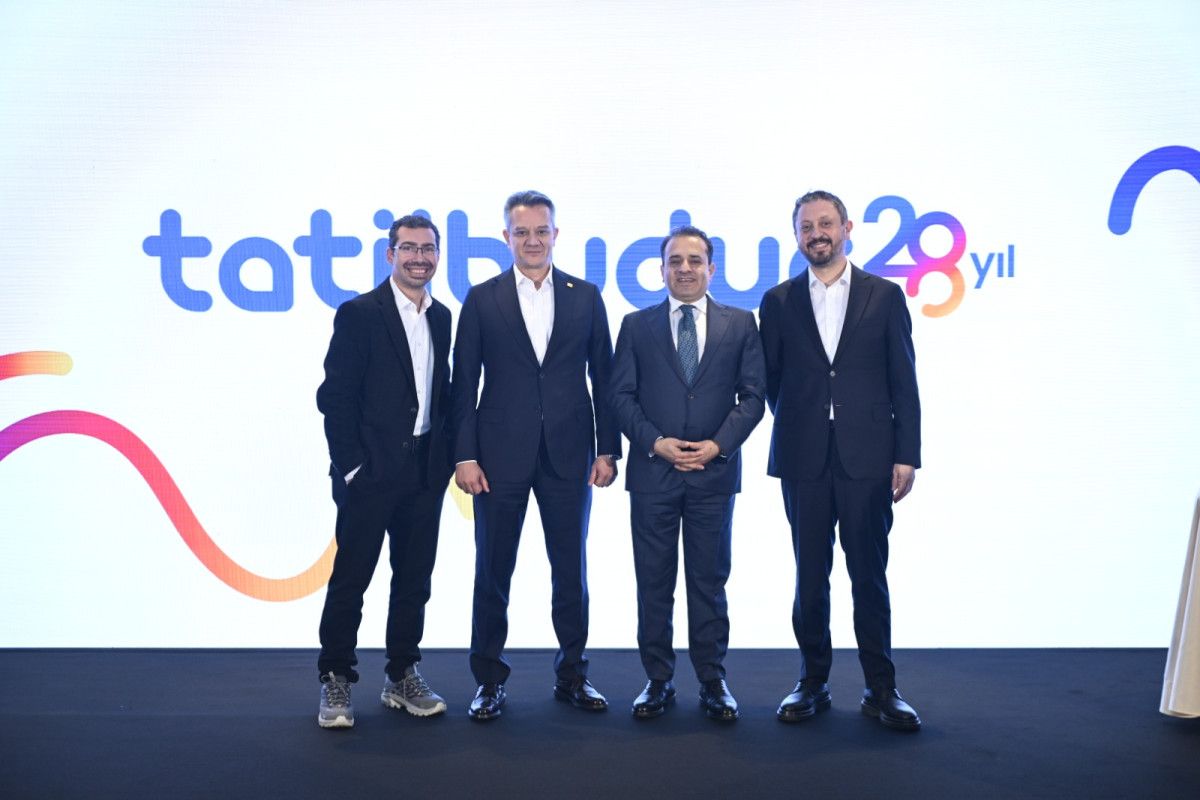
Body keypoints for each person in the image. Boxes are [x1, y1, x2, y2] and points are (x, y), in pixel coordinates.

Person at [451, 190, 621, 721]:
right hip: (497, 458)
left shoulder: (585, 296)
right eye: (521, 232)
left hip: (570, 456)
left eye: (541, 231)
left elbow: (605, 378)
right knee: (492, 571)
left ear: (555, 234)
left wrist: (608, 449)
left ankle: (573, 675)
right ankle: (488, 681)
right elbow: (463, 385)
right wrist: (464, 455)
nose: (532, 240)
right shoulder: (482, 299)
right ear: (506, 237)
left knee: (571, 572)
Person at [759, 190, 923, 731]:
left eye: (825, 223)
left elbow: (904, 379)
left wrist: (906, 453)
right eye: (806, 227)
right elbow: (772, 382)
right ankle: (812, 682)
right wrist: (805, 422)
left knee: (868, 575)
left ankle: (882, 688)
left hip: (869, 457)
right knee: (810, 576)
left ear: (847, 228)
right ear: (796, 236)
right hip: (803, 457)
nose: (817, 234)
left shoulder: (885, 295)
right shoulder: (778, 302)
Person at [609, 225, 765, 721]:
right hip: (653, 474)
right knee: (653, 581)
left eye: (694, 260)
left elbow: (754, 397)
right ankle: (657, 680)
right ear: (661, 270)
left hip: (713, 475)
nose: (684, 269)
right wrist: (655, 442)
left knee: (708, 581)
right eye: (675, 261)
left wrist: (717, 446)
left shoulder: (741, 324)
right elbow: (619, 396)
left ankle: (712, 679)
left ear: (711, 269)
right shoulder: (636, 326)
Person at [313, 214, 454, 729]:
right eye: (409, 248)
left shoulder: (443, 317)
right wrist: (352, 468)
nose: (419, 257)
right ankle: (336, 677)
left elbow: (441, 395)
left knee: (414, 580)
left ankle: (402, 674)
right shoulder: (359, 314)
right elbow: (335, 398)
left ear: (437, 256)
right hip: (369, 474)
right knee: (352, 579)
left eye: (428, 249)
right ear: (390, 254)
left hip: (424, 472)